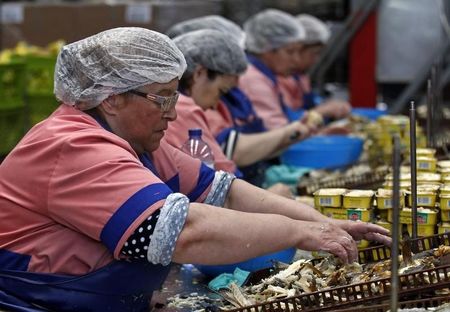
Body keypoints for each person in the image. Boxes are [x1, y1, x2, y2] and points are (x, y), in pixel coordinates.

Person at [0, 27, 391, 312]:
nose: (174, 112)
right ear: (113, 98)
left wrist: (325, 223)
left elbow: (224, 190)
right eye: (163, 97)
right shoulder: (73, 146)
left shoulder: (138, 143)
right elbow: (181, 232)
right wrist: (302, 232)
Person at [166, 29, 311, 191]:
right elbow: (225, 180)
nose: (215, 105)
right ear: (200, 73)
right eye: (221, 91)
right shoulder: (184, 108)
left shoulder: (183, 105)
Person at [278, 14, 351, 121]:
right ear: (297, 50)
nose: (316, 60)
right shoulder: (281, 79)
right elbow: (284, 121)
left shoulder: (301, 77)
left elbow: (309, 105)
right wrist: (321, 111)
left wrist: (326, 105)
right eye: (314, 54)